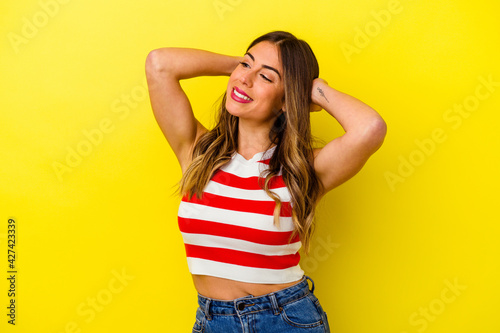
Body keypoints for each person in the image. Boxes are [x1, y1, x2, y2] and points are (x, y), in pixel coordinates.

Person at [145, 31, 386, 333]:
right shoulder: (197, 151)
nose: (245, 80)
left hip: (286, 320)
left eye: (267, 78)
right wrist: (240, 66)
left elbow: (370, 128)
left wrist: (313, 91)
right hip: (212, 321)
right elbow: (159, 64)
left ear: (286, 101)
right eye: (247, 66)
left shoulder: (304, 169)